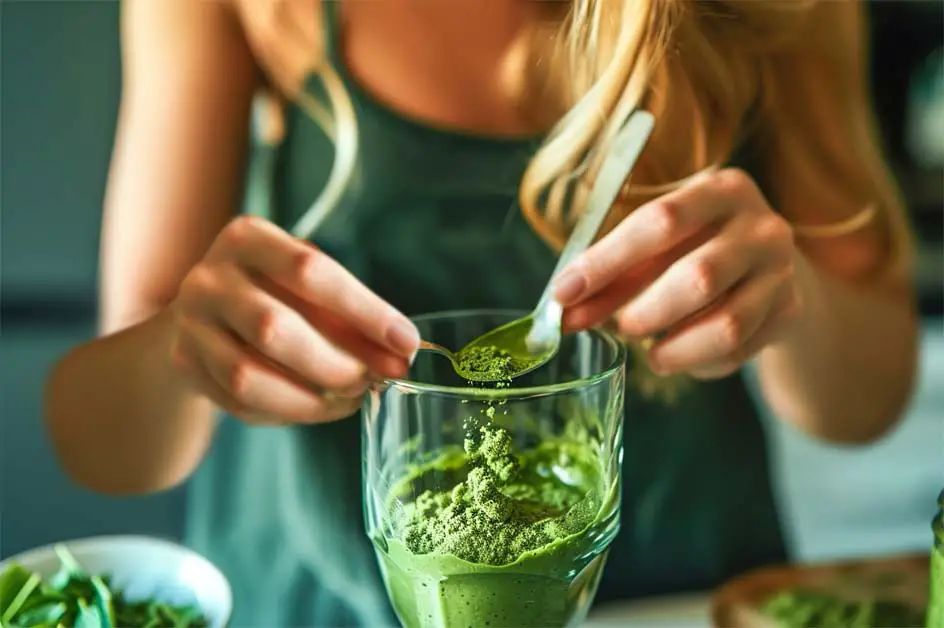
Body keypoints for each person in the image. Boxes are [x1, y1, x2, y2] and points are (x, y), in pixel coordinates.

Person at [45, 0, 918, 625]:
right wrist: (183, 351)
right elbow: (106, 448)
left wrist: (787, 296)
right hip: (320, 593)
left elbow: (867, 402)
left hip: (676, 595)